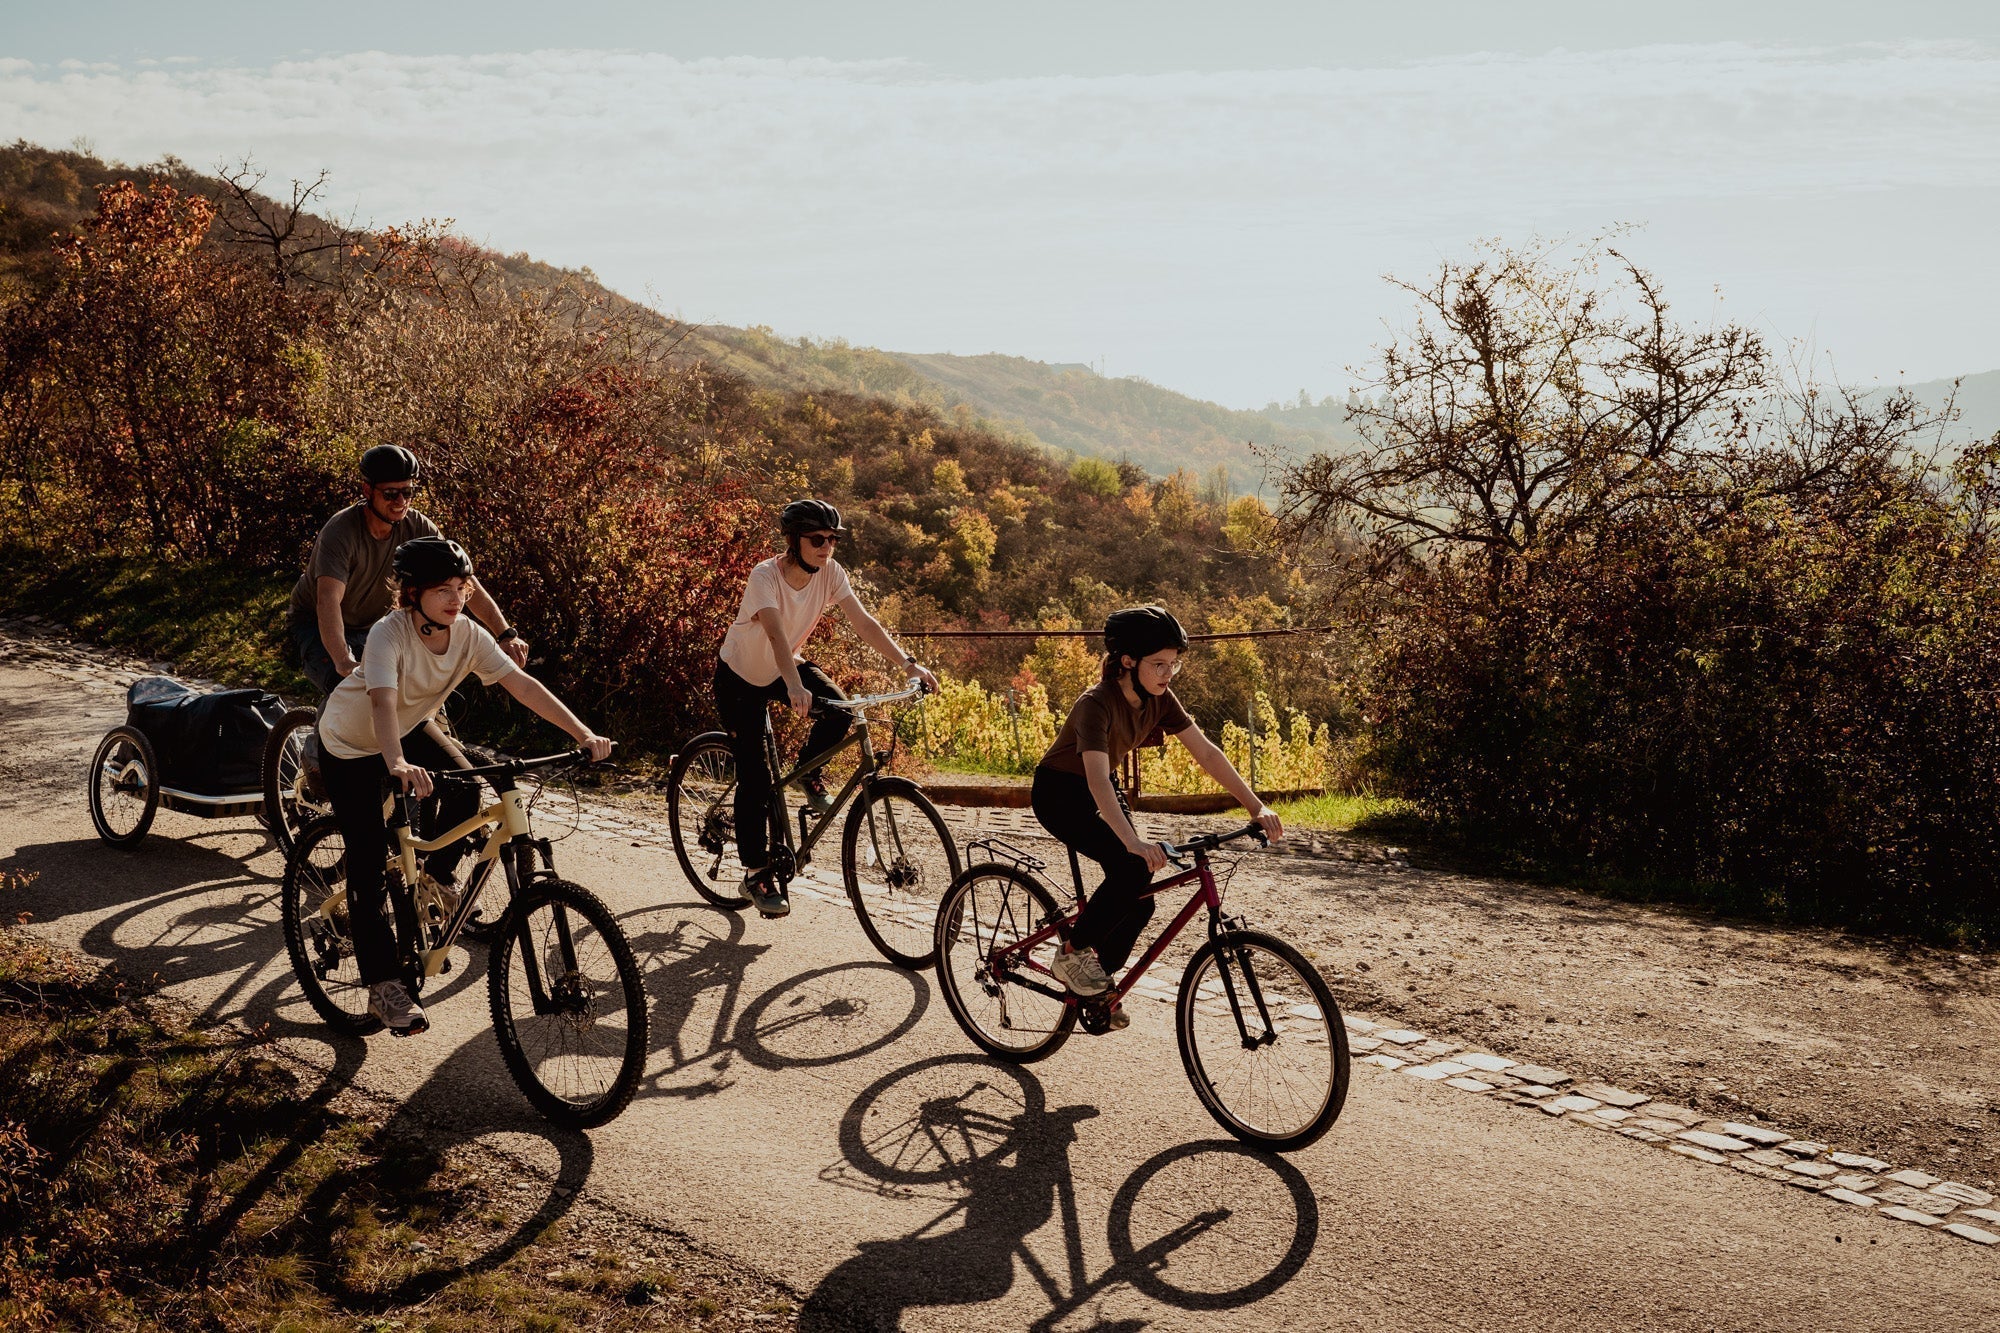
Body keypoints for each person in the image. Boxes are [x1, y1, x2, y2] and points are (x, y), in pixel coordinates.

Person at [316, 536, 613, 1036]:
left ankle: (435, 877)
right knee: (367, 862)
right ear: (413, 594)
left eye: (461, 587)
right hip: (351, 742)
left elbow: (522, 684)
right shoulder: (390, 635)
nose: (456, 598)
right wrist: (397, 763)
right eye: (442, 590)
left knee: (467, 787)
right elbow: (383, 702)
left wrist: (582, 733)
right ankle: (384, 986)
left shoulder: (469, 635)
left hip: (408, 728)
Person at [1032, 605, 1284, 1031]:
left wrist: (1254, 805)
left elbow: (1206, 753)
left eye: (1174, 664)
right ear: (1128, 662)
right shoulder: (1096, 704)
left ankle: (1097, 985)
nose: (1168, 673)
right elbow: (1095, 777)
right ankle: (1071, 955)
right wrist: (1131, 840)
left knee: (1140, 898)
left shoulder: (1161, 700)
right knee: (1131, 864)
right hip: (1060, 793)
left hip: (1100, 787)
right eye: (1159, 664)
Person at [714, 498, 938, 918]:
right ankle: (756, 871)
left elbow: (864, 622)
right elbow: (777, 634)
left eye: (832, 539)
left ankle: (808, 772)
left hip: (784, 669)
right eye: (817, 539)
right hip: (740, 677)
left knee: (840, 708)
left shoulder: (831, 573)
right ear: (793, 540)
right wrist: (796, 686)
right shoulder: (766, 576)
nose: (826, 546)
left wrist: (909, 664)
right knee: (756, 775)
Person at [287, 445, 530, 696]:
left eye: (407, 492)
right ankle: (323, 736)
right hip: (315, 623)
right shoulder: (340, 532)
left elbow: (464, 581)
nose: (401, 502)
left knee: (407, 690)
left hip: (374, 624)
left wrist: (505, 633)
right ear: (367, 490)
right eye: (391, 494)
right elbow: (328, 600)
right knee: (347, 692)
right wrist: (343, 661)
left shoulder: (417, 526)